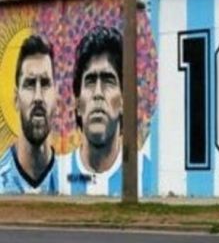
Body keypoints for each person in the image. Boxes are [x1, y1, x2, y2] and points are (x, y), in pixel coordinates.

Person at [65, 26, 126, 195]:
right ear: (77, 104)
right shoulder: (57, 173)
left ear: (123, 101)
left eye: (108, 80)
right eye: (90, 81)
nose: (98, 93)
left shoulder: (145, 170)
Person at [0, 35, 59, 193]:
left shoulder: (68, 182)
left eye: (45, 83)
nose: (38, 97)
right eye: (30, 84)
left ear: (56, 96)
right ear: (16, 98)